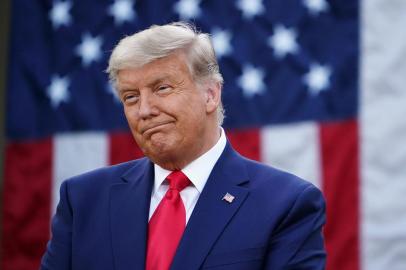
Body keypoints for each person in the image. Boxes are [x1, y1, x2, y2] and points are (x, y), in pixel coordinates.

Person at [40, 22, 326, 270]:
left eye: (162, 88)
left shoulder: (286, 204)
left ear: (211, 95)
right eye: (130, 97)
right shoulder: (83, 200)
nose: (144, 110)